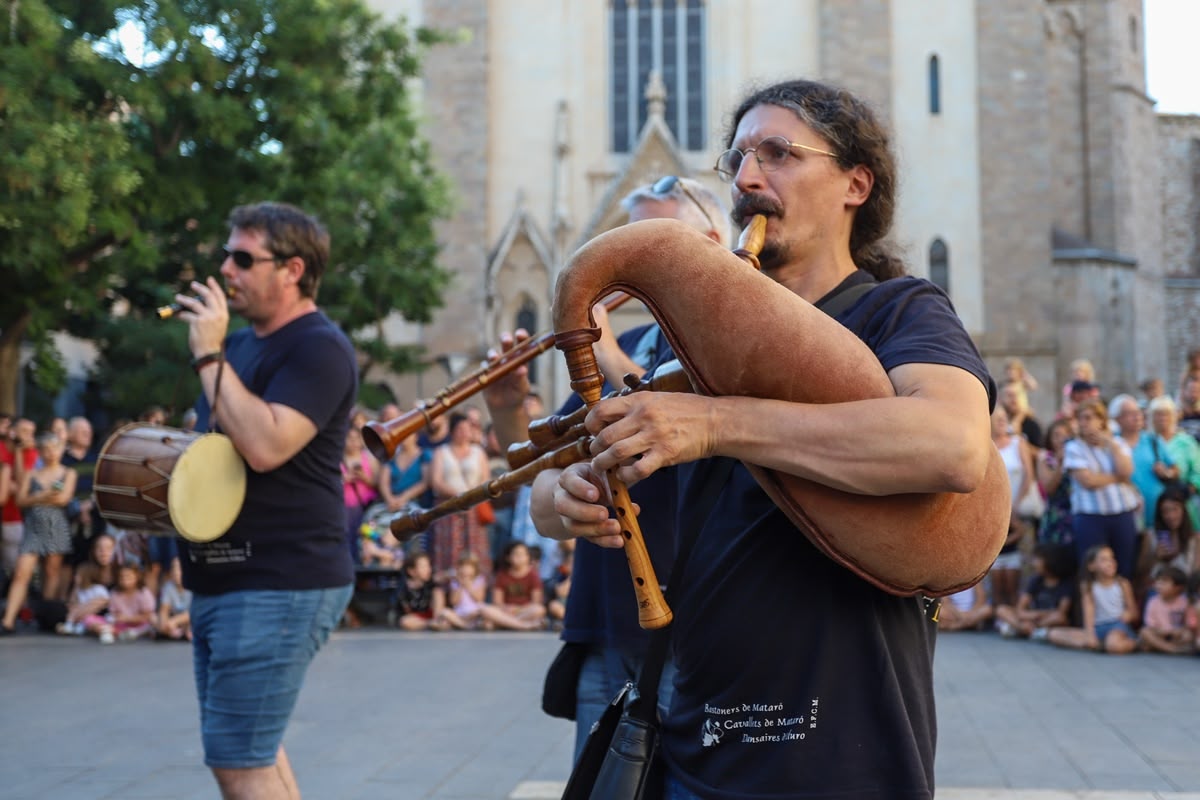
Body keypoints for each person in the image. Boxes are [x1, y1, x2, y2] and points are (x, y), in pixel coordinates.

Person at [538, 79, 997, 797]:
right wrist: (562, 498)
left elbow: (953, 445)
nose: (748, 177)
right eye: (740, 158)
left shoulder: (898, 312)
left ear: (856, 182)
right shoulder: (681, 342)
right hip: (687, 742)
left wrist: (719, 424)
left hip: (837, 755)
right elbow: (548, 483)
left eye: (779, 153)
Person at [485, 174, 729, 763]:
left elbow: (657, 422)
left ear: (713, 245)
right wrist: (508, 406)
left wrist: (599, 347)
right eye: (624, 243)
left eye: (650, 242)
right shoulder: (639, 339)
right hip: (606, 622)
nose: (625, 263)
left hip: (694, 631)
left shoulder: (726, 344)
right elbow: (545, 465)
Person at [171, 201, 357, 799]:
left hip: (280, 578)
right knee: (254, 750)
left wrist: (207, 354)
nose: (226, 268)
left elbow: (265, 444)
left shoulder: (318, 347)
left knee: (239, 762)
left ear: (293, 269)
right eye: (227, 254)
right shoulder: (245, 346)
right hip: (232, 578)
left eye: (243, 258)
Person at [1, 431, 76, 634]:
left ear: (60, 450)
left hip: (56, 524)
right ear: (40, 452)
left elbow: (63, 499)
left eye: (54, 448)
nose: (50, 453)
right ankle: (8, 620)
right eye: (46, 449)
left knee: (51, 573)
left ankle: (46, 617)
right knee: (21, 572)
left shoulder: (67, 473)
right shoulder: (32, 474)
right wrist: (43, 495)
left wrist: (36, 498)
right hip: (33, 526)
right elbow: (20, 501)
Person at [1063, 400, 1141, 580]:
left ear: (1101, 420)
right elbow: (1088, 481)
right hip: (1091, 516)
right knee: (1092, 568)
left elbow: (1127, 470)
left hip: (1121, 513)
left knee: (1124, 566)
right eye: (1081, 418)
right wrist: (1118, 478)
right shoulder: (1073, 447)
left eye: (1089, 418)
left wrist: (1110, 444)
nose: (1084, 423)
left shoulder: (1118, 443)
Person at [427, 413, 492, 580]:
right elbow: (437, 481)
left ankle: (475, 589)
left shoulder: (479, 452)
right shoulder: (441, 452)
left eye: (467, 429)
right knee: (448, 548)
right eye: (460, 429)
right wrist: (458, 495)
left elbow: (485, 479)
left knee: (474, 549)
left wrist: (471, 496)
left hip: (473, 508)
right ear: (452, 431)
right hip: (448, 508)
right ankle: (447, 588)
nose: (464, 433)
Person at [1046, 545, 1138, 654]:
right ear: (1092, 566)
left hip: (1117, 625)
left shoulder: (1122, 583)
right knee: (1054, 634)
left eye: (1111, 558)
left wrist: (1128, 614)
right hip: (1098, 628)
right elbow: (1088, 612)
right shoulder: (1088, 586)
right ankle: (1098, 644)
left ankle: (1136, 643)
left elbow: (1134, 612)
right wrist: (1090, 634)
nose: (1110, 562)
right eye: (1104, 560)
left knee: (1114, 645)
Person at [993, 543, 1074, 639]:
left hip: (1046, 620)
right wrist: (1033, 615)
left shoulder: (1065, 584)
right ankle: (1026, 629)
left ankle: (1024, 630)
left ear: (1051, 561)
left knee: (1060, 618)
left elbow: (1061, 612)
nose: (1034, 563)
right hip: (1032, 617)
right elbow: (1020, 609)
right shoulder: (1036, 581)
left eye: (1038, 559)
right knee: (1001, 609)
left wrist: (1036, 617)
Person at [1137, 566, 1196, 654]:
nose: (1159, 585)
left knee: (1188, 635)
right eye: (1158, 581)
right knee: (1144, 632)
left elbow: (1188, 623)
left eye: (1164, 582)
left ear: (1178, 588)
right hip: (1160, 633)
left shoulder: (1185, 602)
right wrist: (1163, 631)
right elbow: (1150, 624)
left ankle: (1159, 647)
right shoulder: (1153, 602)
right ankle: (1172, 649)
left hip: (1177, 634)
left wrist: (1179, 631)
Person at [491, 540, 547, 629]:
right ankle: (523, 625)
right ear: (508, 557)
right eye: (516, 554)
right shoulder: (501, 575)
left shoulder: (533, 575)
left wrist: (518, 609)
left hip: (525, 611)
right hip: (506, 610)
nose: (519, 557)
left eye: (523, 554)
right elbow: (497, 602)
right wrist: (507, 608)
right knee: (484, 609)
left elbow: (536, 602)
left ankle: (505, 623)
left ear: (528, 557)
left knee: (539, 609)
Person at [102, 563, 157, 643]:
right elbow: (114, 614)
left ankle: (136, 633)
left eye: (128, 576)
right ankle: (113, 632)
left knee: (154, 619)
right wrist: (119, 618)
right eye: (122, 577)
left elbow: (147, 615)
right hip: (122, 624)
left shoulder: (143, 592)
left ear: (136, 577)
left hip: (141, 623)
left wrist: (128, 618)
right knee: (107, 618)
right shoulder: (115, 593)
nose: (124, 579)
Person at [156, 557, 193, 641]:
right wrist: (164, 623)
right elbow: (164, 610)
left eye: (179, 569)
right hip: (173, 620)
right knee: (153, 618)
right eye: (173, 569)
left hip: (188, 619)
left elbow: (194, 611)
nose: (176, 572)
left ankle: (182, 632)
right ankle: (177, 632)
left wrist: (175, 621)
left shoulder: (193, 586)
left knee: (194, 616)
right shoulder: (168, 587)